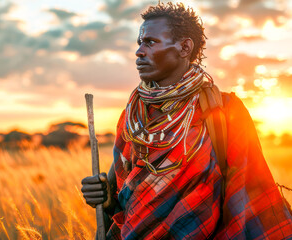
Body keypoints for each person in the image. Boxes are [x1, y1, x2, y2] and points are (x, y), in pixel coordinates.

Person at [81, 2, 292, 239]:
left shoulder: (223, 111)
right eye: (139, 43)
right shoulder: (133, 116)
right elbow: (120, 198)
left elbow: (250, 194)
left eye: (150, 42)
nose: (139, 51)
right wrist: (102, 196)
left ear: (184, 47)